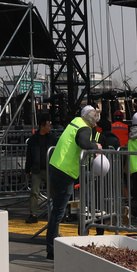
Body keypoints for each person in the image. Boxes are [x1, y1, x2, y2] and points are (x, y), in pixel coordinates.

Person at [45, 105, 101, 260]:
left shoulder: (75, 122)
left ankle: (52, 243)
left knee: (57, 210)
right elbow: (83, 143)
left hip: (57, 167)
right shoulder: (85, 128)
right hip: (65, 172)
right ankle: (51, 249)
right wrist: (96, 146)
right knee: (58, 212)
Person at [23, 117, 52, 223]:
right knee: (34, 192)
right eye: (48, 125)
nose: (50, 127)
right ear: (42, 127)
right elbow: (29, 156)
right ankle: (33, 214)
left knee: (54, 192)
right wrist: (27, 170)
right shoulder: (33, 140)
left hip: (49, 169)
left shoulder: (52, 138)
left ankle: (55, 212)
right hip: (37, 170)